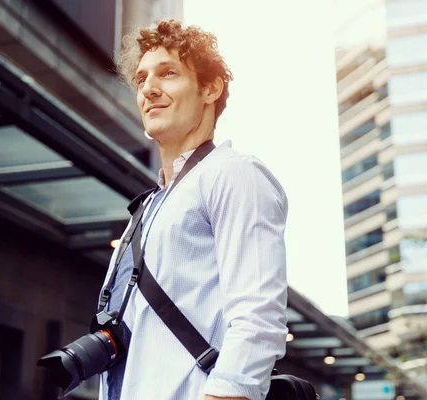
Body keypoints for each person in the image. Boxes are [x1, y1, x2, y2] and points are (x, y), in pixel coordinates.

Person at [99, 19, 289, 400]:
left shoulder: (233, 173)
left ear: (210, 88)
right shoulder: (148, 206)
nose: (149, 89)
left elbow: (258, 318)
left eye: (168, 74)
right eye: (141, 79)